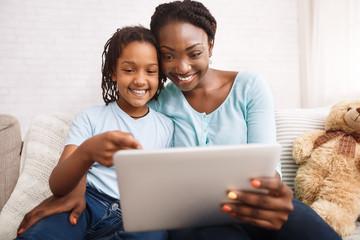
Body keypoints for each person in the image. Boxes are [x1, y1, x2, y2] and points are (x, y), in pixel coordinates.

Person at [17, 1, 342, 239]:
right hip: (196, 217)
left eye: (194, 52)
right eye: (168, 55)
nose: (182, 67)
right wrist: (76, 184)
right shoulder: (159, 99)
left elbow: (267, 167)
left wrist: (277, 191)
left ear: (211, 43)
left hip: (251, 201)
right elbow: (125, 123)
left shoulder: (250, 86)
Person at [15, 26, 173, 240]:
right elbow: (58, 185)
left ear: (159, 75)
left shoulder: (167, 126)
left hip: (137, 214)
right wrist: (87, 152)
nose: (140, 80)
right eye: (129, 70)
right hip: (86, 204)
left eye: (150, 71)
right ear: (113, 73)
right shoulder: (91, 118)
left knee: (154, 234)